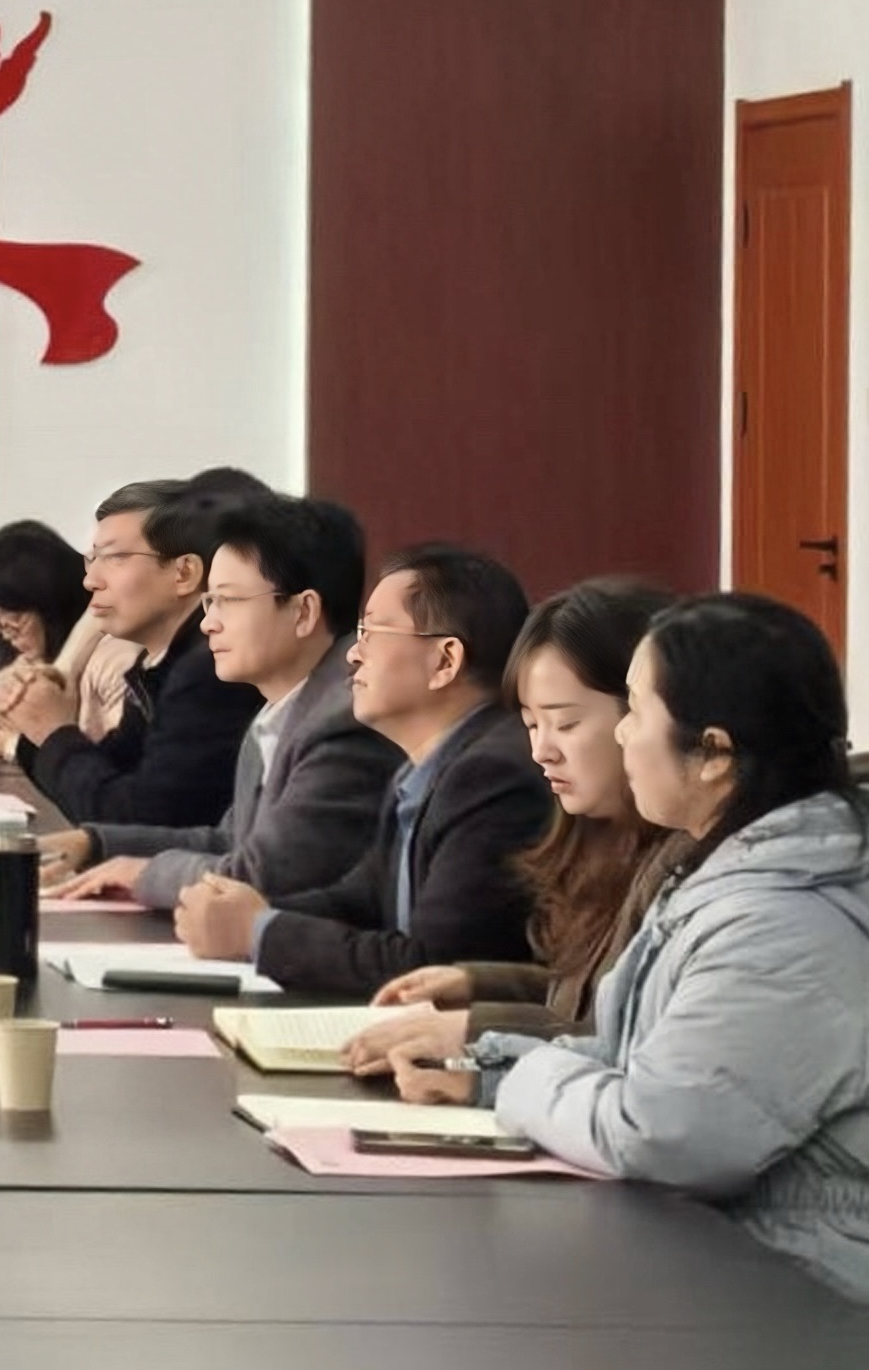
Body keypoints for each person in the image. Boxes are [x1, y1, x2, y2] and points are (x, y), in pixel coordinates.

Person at [396, 594, 869, 1303]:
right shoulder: (723, 873)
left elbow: (659, 1136)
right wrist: (487, 1072)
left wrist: (517, 1082)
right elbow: (634, 1065)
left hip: (802, 1301)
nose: (622, 736)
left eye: (637, 712)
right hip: (732, 1265)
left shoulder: (782, 926)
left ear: (713, 754)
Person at [174, 544, 549, 996]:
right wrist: (252, 912)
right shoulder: (421, 770)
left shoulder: (493, 779)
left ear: (445, 661)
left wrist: (257, 932)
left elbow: (430, 967)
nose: (353, 654)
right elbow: (363, 900)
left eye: (372, 632)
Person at [341, 581, 680, 1075]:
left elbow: (618, 1039)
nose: (542, 751)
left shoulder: (682, 861)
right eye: (532, 725)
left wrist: (473, 1028)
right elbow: (580, 996)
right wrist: (478, 983)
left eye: (565, 725)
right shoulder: (590, 835)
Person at [48, 494, 402, 909]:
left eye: (228, 601)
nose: (208, 623)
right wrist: (94, 843)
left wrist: (144, 875)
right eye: (209, 602)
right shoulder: (281, 710)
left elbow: (264, 877)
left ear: (304, 611)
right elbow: (228, 841)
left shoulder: (348, 720)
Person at [0, 480, 262, 829]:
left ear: (184, 573)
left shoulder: (210, 670)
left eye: (115, 558)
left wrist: (55, 730)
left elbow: (140, 818)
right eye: (92, 560)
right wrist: (38, 730)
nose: (90, 581)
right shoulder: (158, 664)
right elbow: (110, 776)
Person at [0, 520, 134, 747]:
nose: (7, 635)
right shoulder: (27, 666)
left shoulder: (115, 663)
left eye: (14, 619)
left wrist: (20, 742)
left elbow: (100, 763)